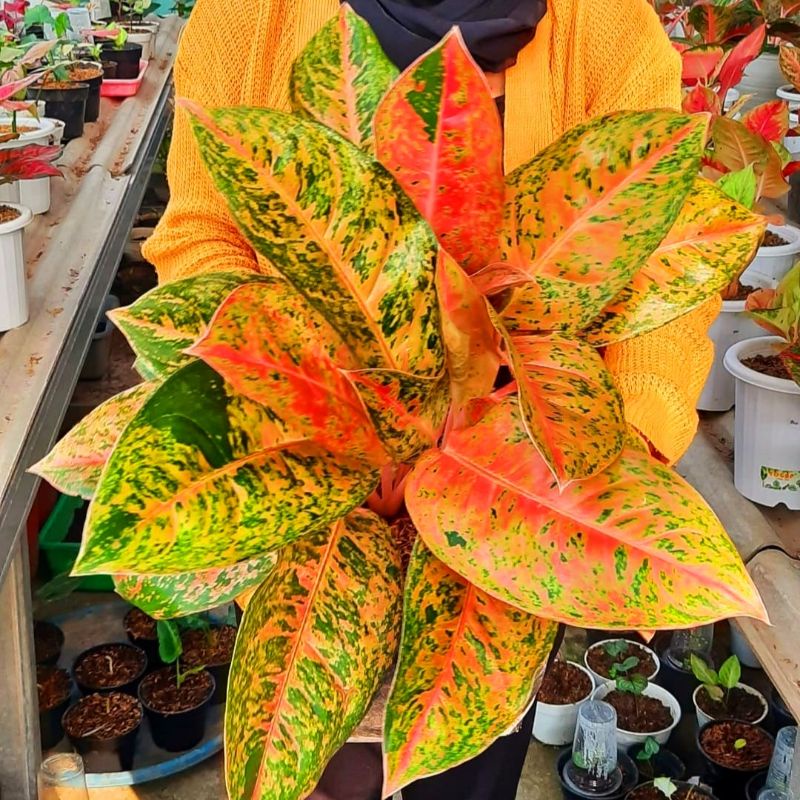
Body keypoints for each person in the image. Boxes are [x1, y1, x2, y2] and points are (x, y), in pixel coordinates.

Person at [143, 1, 717, 797]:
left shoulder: (609, 30)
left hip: (504, 519)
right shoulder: (251, 15)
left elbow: (659, 262)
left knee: (464, 772)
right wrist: (312, 397)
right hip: (324, 519)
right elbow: (200, 233)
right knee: (320, 768)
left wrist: (614, 467)